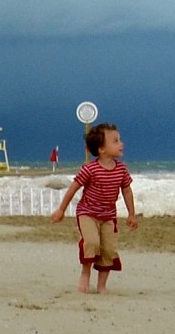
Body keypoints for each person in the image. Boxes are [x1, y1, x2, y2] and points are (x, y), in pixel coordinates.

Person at [49, 121, 140, 294]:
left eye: (120, 140)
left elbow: (127, 191)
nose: (121, 144)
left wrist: (131, 214)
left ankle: (102, 285)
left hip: (108, 216)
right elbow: (73, 188)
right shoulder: (90, 169)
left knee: (108, 250)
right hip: (87, 213)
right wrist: (61, 210)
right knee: (91, 242)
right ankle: (85, 274)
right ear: (101, 149)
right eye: (115, 141)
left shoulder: (121, 169)